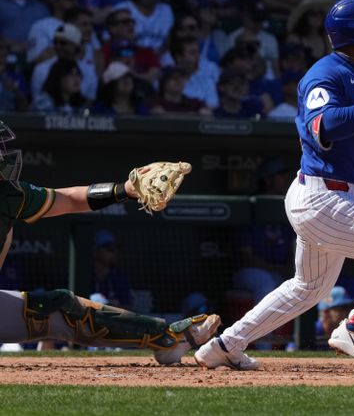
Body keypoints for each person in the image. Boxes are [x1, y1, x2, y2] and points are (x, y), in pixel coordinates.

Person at [195, 0, 354, 374]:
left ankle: (225, 345)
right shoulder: (325, 74)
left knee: (309, 289)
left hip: (335, 198)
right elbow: (324, 126)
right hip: (323, 199)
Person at [0, 121, 219, 364]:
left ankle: (165, 339)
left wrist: (125, 189)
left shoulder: (9, 196)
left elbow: (70, 199)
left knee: (61, 307)